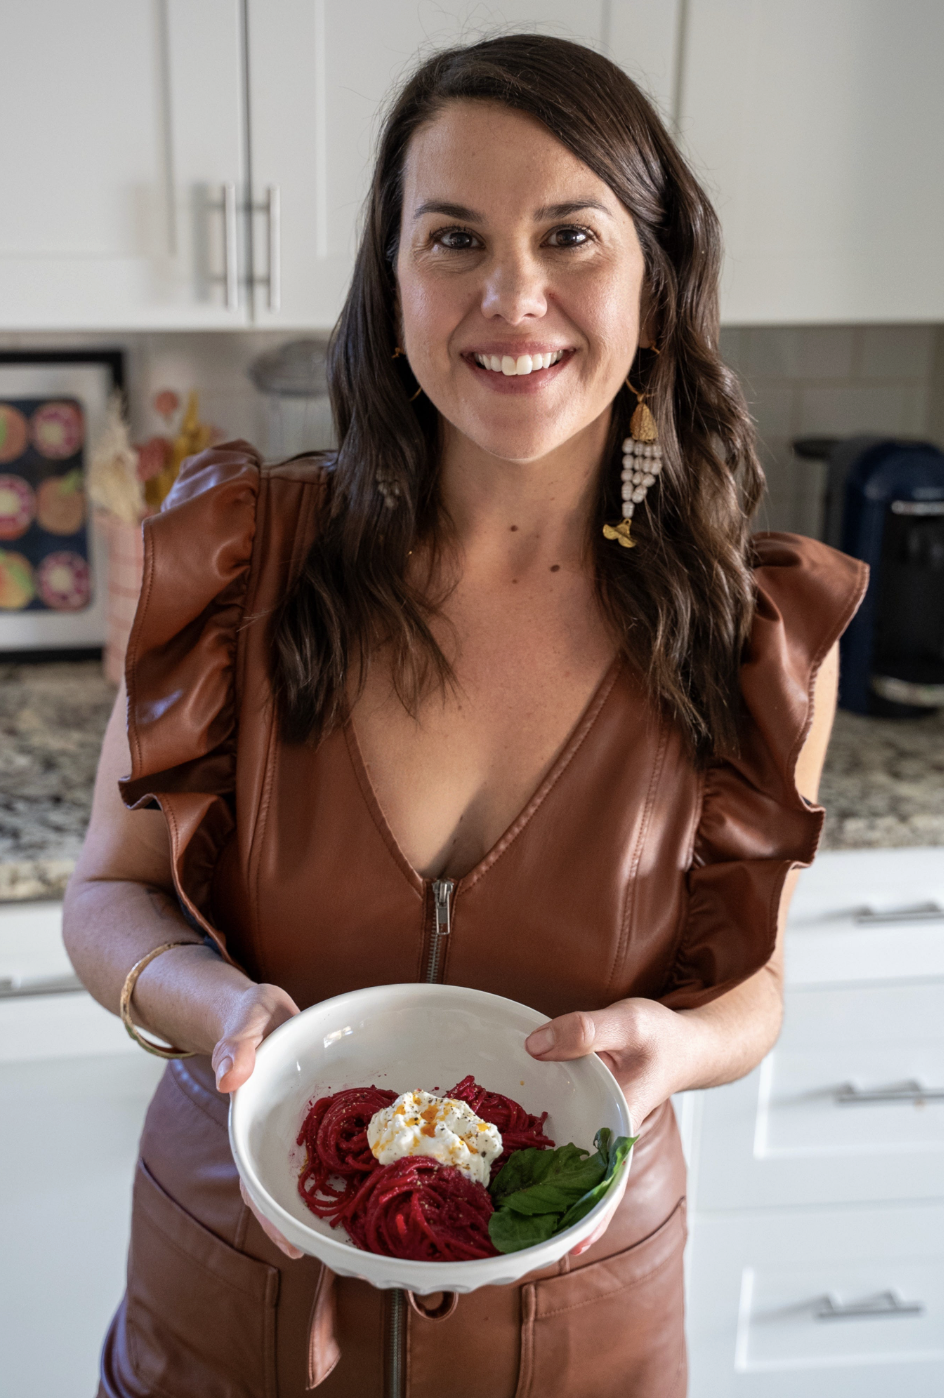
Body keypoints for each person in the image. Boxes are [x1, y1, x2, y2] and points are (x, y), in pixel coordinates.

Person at [64, 33, 867, 1398]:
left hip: (576, 1327)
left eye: (571, 236)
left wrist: (676, 1048)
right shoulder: (238, 565)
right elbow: (107, 897)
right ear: (390, 285)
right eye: (452, 240)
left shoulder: (754, 636)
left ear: (655, 286)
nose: (513, 296)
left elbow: (754, 987)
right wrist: (217, 1011)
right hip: (235, 1298)